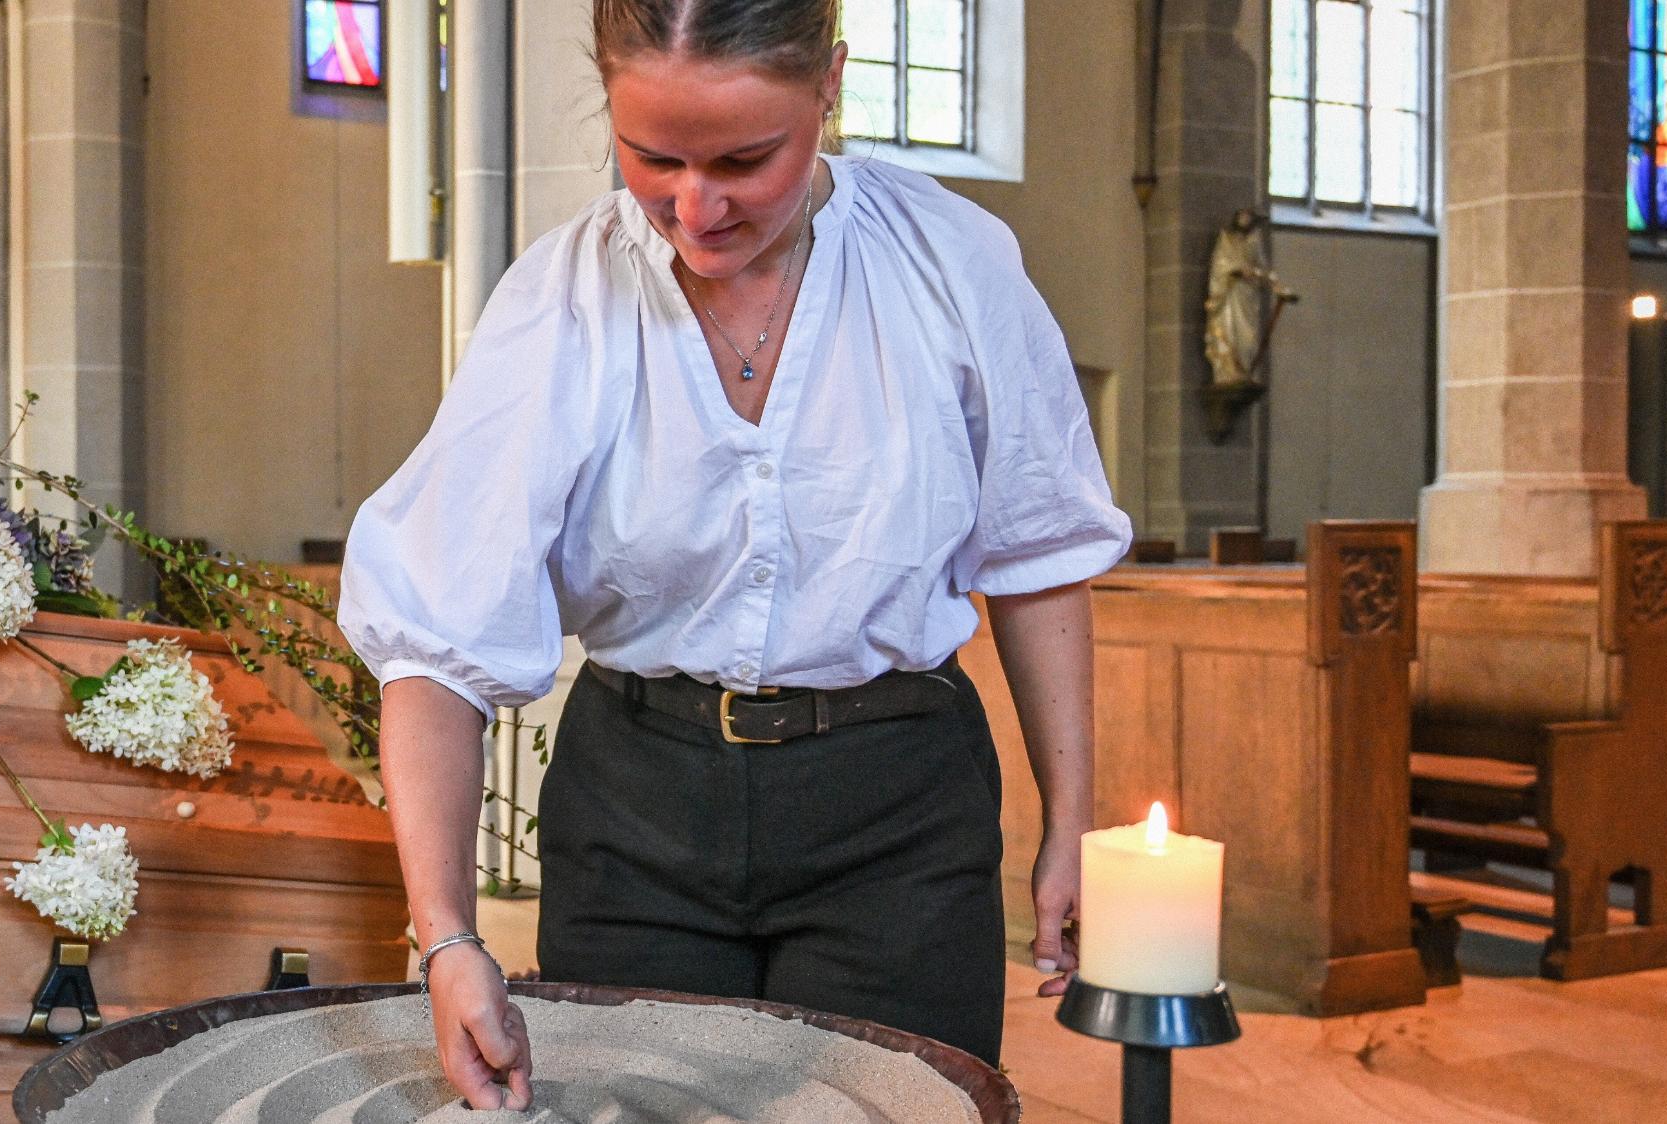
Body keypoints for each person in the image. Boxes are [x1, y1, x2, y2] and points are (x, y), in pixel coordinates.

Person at [336, 0, 1129, 1111]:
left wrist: (1071, 822)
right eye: (651, 156)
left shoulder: (952, 263)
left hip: (895, 808)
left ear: (830, 87)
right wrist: (449, 935)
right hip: (637, 812)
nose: (694, 207)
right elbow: (435, 633)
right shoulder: (561, 301)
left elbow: (1039, 554)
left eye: (744, 159)